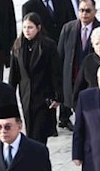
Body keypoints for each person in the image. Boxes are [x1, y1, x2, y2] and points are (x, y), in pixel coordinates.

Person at [9, 13, 62, 145]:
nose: (27, 30)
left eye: (30, 27)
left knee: (39, 134)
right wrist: (9, 95)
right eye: (25, 27)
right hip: (26, 96)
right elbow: (14, 74)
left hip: (44, 97)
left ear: (38, 28)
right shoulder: (18, 46)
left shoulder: (48, 46)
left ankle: (39, 160)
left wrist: (58, 96)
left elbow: (56, 72)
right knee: (30, 132)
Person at [57, 0, 100, 122]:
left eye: (88, 11)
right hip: (73, 82)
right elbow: (60, 57)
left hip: (93, 83)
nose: (84, 14)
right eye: (81, 10)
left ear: (95, 11)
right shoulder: (68, 28)